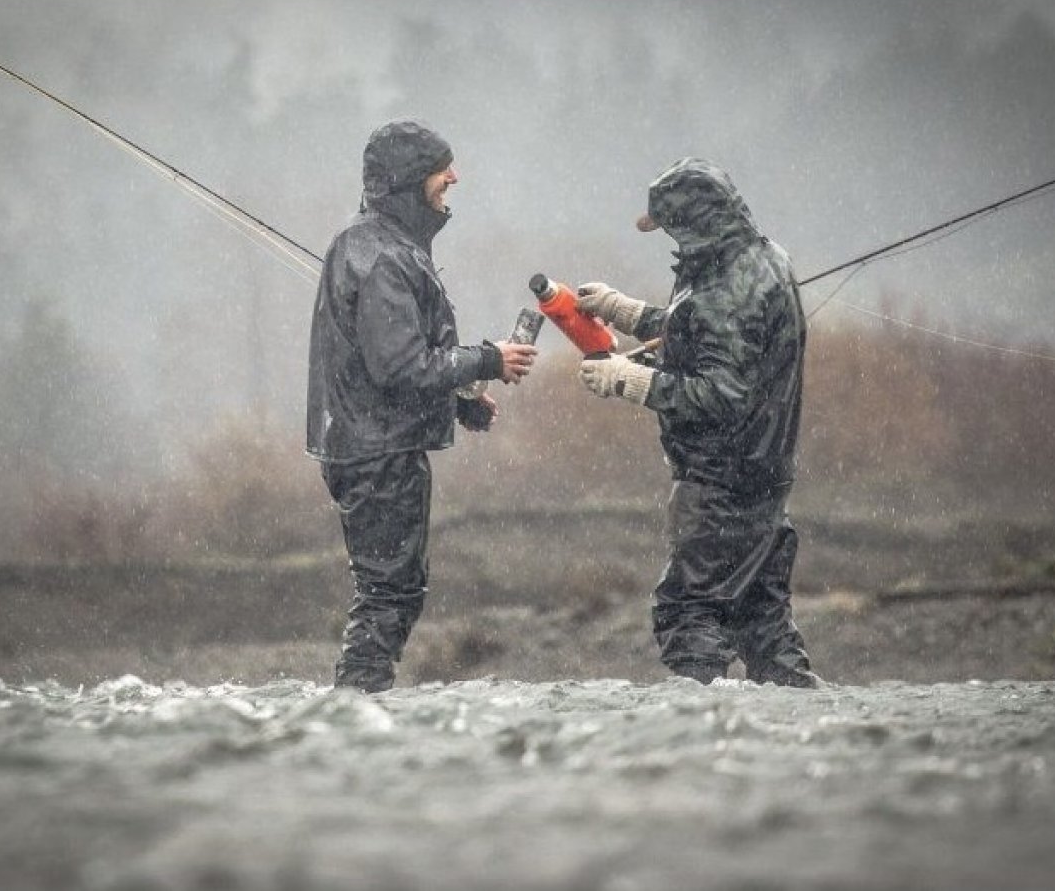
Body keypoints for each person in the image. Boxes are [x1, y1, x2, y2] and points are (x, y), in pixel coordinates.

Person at [307, 119, 537, 693]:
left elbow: (389, 366)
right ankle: (357, 704)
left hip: (374, 445)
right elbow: (401, 368)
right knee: (390, 592)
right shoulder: (382, 257)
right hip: (377, 454)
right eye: (442, 168)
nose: (453, 177)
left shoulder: (381, 246)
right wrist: (486, 361)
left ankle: (360, 702)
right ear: (410, 179)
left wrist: (461, 404)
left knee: (394, 589)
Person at [575, 157, 821, 688]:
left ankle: (701, 749)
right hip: (764, 474)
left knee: (687, 614)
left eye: (671, 229)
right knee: (765, 627)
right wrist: (627, 312)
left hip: (722, 484)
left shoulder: (724, 285)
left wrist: (630, 382)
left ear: (696, 225)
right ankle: (802, 731)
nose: (671, 242)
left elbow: (722, 393)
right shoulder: (761, 259)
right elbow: (706, 328)